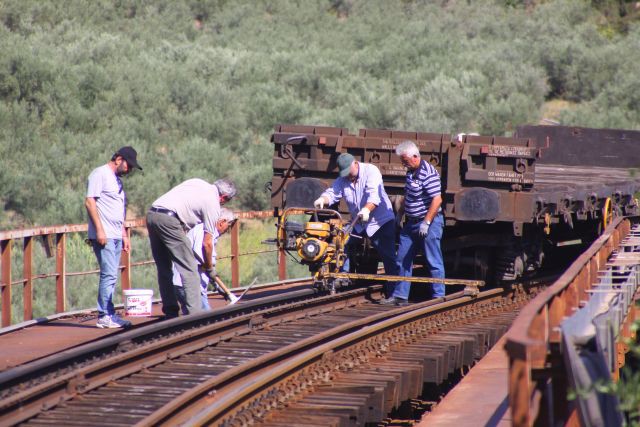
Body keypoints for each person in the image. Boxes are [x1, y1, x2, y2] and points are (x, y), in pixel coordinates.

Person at [147, 178, 237, 318]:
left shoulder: (197, 182)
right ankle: (194, 316)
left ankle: (170, 312)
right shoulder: (213, 203)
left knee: (164, 267)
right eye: (225, 201)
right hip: (170, 220)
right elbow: (207, 243)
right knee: (190, 269)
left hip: (152, 214)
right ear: (224, 197)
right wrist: (209, 268)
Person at [313, 153, 398, 296]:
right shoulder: (343, 179)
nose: (348, 177)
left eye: (349, 172)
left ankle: (394, 292)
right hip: (358, 223)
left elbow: (374, 197)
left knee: (388, 256)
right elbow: (333, 193)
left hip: (380, 222)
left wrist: (367, 209)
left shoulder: (371, 171)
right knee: (341, 241)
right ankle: (342, 276)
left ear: (355, 163)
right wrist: (323, 199)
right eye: (344, 174)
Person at [85, 146, 142, 328]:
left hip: (116, 234)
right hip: (105, 235)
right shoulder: (99, 174)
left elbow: (118, 210)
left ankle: (109, 313)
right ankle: (104, 316)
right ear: (118, 159)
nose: (129, 169)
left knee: (112, 275)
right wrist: (100, 230)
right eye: (129, 165)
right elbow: (90, 201)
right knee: (108, 274)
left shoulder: (116, 180)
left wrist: (124, 234)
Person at [390, 140, 445, 305]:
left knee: (433, 260)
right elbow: (409, 196)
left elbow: (437, 200)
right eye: (402, 161)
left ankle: (438, 296)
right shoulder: (411, 172)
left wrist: (426, 222)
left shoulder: (428, 173)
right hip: (411, 223)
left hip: (429, 223)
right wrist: (400, 214)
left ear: (415, 157)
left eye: (405, 161)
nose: (403, 164)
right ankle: (400, 295)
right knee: (402, 258)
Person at [172, 208, 239, 313]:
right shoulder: (204, 232)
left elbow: (205, 265)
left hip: (187, 284)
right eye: (229, 225)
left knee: (191, 321)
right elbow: (202, 261)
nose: (228, 229)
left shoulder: (207, 232)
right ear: (222, 222)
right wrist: (213, 275)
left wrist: (215, 283)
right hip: (190, 286)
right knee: (206, 321)